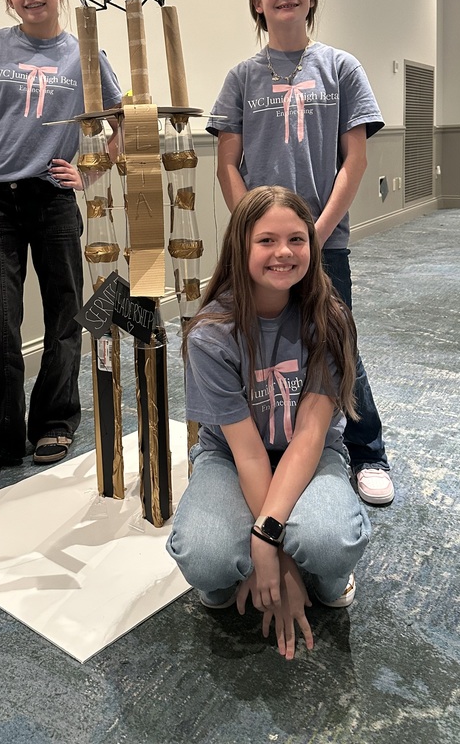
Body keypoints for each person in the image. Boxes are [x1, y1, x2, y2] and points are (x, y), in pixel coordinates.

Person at [207, 0, 394, 506]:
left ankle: (368, 452)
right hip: (260, 248)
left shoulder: (340, 68)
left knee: (334, 340)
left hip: (323, 240)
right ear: (257, 2)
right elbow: (226, 163)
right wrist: (253, 236)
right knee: (260, 344)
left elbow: (353, 161)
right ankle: (258, 449)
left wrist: (313, 235)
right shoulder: (242, 78)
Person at [166, 186, 371, 660]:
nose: (284, 252)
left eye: (297, 239)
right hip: (234, 455)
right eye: (267, 241)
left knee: (329, 542)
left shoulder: (330, 319)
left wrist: (274, 551)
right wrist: (275, 556)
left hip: (309, 453)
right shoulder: (211, 334)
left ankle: (321, 573)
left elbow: (309, 436)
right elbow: (249, 452)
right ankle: (240, 571)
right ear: (241, 246)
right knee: (205, 557)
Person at [0, 0, 121, 488]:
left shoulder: (85, 55)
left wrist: (87, 175)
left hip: (52, 201)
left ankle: (55, 418)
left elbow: (122, 125)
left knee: (67, 313)